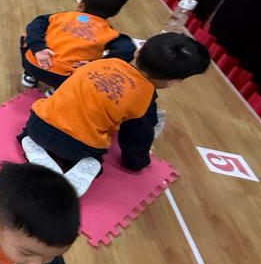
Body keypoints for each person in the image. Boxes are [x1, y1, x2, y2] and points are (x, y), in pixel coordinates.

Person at [20, 32, 210, 195]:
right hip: (77, 147)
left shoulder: (103, 62)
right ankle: (77, 164)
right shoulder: (145, 99)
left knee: (49, 122)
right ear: (173, 81)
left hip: (37, 123)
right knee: (91, 157)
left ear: (137, 52)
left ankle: (31, 142)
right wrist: (137, 163)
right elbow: (137, 139)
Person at [21, 0, 135, 92]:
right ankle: (58, 89)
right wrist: (95, 65)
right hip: (65, 77)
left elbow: (34, 25)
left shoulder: (60, 16)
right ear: (116, 13)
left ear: (80, 4)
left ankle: (30, 76)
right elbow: (128, 50)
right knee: (87, 73)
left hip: (32, 63)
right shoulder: (110, 33)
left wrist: (38, 48)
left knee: (26, 36)